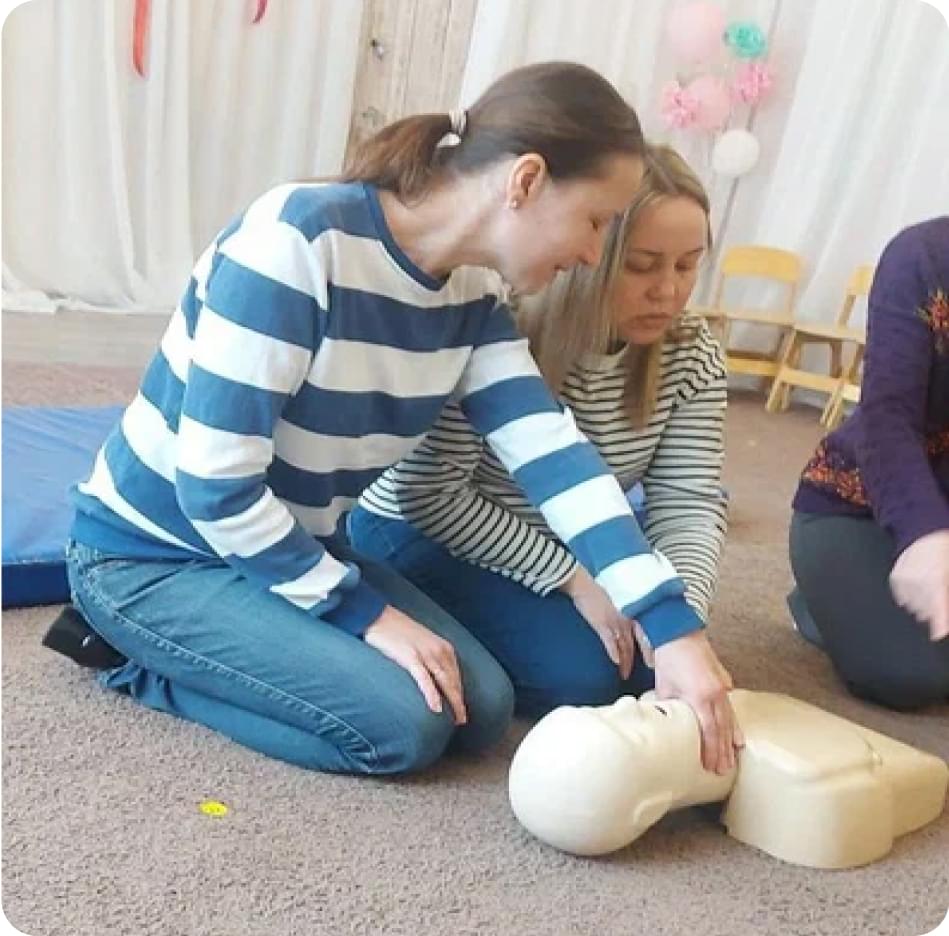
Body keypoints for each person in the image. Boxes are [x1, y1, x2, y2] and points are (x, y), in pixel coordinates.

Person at [44, 62, 720, 777]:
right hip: (157, 556)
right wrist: (367, 615)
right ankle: (130, 658)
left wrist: (671, 625)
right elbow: (216, 489)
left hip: (293, 548)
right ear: (525, 181)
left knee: (480, 708)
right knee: (402, 728)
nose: (591, 254)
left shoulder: (472, 301)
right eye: (595, 221)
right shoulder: (296, 240)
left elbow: (556, 458)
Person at [350, 144, 739, 772]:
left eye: (689, 265)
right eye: (642, 266)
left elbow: (687, 502)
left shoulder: (693, 354)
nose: (668, 291)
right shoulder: (503, 329)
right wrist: (575, 577)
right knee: (584, 676)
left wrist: (679, 620)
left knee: (654, 662)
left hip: (565, 536)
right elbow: (433, 499)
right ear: (587, 251)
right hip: (426, 527)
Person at [789, 217, 949, 710]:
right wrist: (925, 534)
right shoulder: (923, 256)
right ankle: (820, 599)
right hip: (861, 507)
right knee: (911, 676)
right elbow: (887, 417)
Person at [507, 690, 949, 866]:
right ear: (652, 808)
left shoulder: (671, 693)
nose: (626, 704)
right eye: (632, 732)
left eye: (599, 710)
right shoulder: (816, 782)